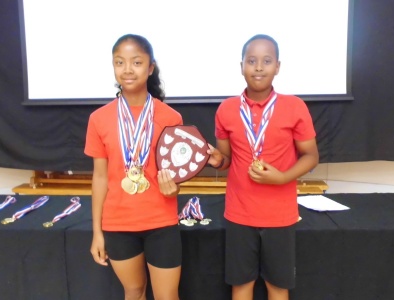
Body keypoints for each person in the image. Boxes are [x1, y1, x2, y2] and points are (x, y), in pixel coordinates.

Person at [207, 34, 319, 300]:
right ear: (242, 66)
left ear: (277, 66)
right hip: (239, 213)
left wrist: (282, 178)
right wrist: (217, 161)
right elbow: (226, 159)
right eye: (252, 60)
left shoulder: (295, 107)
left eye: (266, 61)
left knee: (277, 287)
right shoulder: (226, 109)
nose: (259, 67)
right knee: (241, 285)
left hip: (279, 215)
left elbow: (311, 156)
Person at [85, 34, 183, 300]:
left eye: (137, 62)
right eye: (120, 62)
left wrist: (173, 190)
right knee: (134, 291)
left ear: (150, 68)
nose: (127, 69)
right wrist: (97, 232)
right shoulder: (99, 119)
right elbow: (100, 177)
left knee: (167, 296)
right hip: (118, 224)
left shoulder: (171, 118)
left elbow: (175, 178)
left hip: (161, 222)